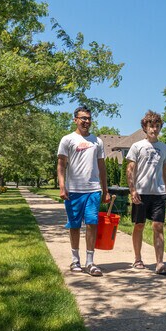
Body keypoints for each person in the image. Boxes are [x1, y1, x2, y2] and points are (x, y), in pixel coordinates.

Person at [57, 106, 111, 276]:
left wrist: (105, 190)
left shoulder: (97, 141)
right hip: (74, 190)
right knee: (74, 225)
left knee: (92, 223)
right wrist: (62, 186)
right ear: (75, 120)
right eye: (83, 118)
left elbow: (102, 167)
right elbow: (61, 165)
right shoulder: (67, 140)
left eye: (88, 118)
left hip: (93, 190)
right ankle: (75, 260)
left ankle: (90, 262)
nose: (86, 121)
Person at [126, 110, 166, 275]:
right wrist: (133, 190)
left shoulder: (164, 148)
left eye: (157, 126)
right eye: (151, 126)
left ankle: (160, 263)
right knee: (139, 225)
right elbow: (130, 169)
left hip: (158, 193)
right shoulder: (137, 146)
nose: (154, 129)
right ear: (145, 128)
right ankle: (138, 259)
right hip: (141, 193)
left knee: (158, 226)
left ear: (160, 128)